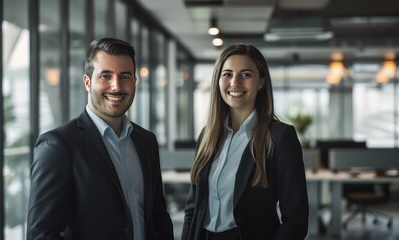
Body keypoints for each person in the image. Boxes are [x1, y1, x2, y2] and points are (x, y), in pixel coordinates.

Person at [27, 37, 174, 240]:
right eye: (106, 76)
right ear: (87, 82)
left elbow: (158, 218)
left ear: (135, 81)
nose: (116, 86)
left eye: (125, 76)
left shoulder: (146, 141)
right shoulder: (58, 146)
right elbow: (41, 234)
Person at [181, 44, 309, 240]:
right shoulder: (207, 136)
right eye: (227, 74)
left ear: (260, 82)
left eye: (246, 74)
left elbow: (296, 220)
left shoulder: (280, 137)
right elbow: (192, 209)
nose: (235, 82)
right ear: (218, 81)